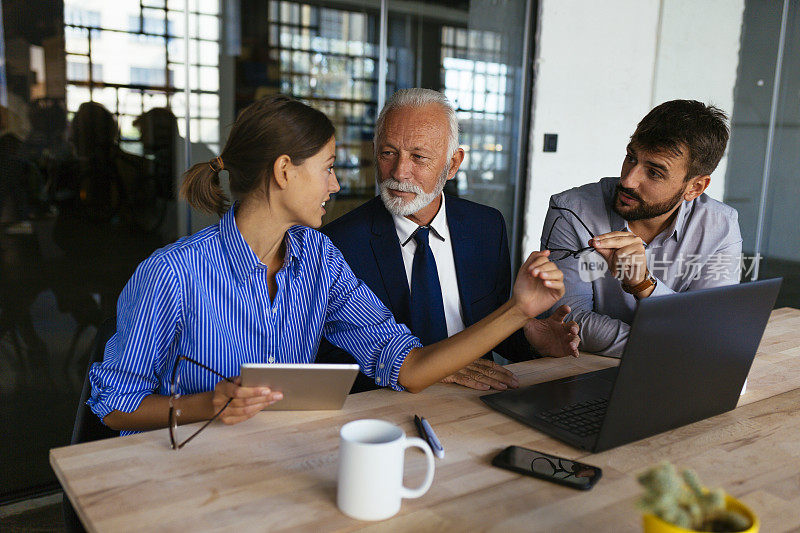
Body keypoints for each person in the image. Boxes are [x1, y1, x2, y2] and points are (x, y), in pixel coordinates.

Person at [88, 94, 567, 434]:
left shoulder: (320, 262)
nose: (336, 186)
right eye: (329, 168)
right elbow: (115, 407)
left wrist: (520, 310)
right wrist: (207, 404)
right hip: (188, 467)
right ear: (284, 171)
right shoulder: (171, 273)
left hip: (284, 455)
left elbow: (411, 368)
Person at [316, 88, 580, 393]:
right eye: (388, 153)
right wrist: (434, 366)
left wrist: (534, 338)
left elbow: (492, 326)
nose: (399, 172)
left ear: (453, 164)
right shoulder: (336, 243)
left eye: (418, 157)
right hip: (387, 406)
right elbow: (331, 359)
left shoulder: (487, 227)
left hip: (475, 401)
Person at [542, 99, 742, 357]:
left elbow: (709, 327)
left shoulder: (721, 225)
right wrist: (680, 345)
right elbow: (569, 321)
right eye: (631, 158)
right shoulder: (571, 211)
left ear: (695, 188)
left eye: (655, 173)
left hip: (670, 375)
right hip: (581, 368)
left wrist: (644, 285)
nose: (628, 180)